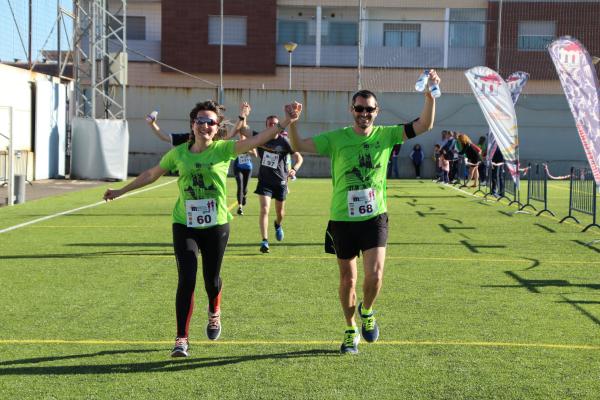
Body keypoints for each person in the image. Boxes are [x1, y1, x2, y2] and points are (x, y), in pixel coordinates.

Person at [104, 100, 301, 357]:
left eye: (210, 122)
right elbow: (151, 174)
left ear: (217, 127)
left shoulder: (223, 149)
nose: (205, 125)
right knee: (186, 279)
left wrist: (286, 122)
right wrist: (121, 191)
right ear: (192, 125)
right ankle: (181, 339)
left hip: (216, 224)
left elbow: (258, 139)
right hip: (184, 223)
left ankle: (214, 309)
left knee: (211, 280)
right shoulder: (179, 153)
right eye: (200, 121)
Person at [288, 70, 440, 354]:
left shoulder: (387, 135)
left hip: (374, 217)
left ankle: (367, 311)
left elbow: (425, 124)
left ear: (376, 111)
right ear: (352, 110)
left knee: (376, 275)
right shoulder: (337, 138)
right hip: (343, 220)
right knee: (348, 279)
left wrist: (429, 95)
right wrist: (293, 123)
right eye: (359, 108)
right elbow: (299, 146)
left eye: (369, 109)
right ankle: (350, 330)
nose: (364, 113)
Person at [241, 115, 303, 253]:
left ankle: (277, 224)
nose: (272, 126)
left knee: (280, 213)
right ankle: (265, 241)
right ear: (266, 125)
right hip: (265, 182)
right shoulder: (261, 137)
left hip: (280, 181)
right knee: (264, 209)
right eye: (269, 124)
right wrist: (244, 115)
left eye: (275, 124)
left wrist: (293, 169)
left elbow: (299, 158)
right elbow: (244, 130)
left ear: (279, 126)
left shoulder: (285, 141)